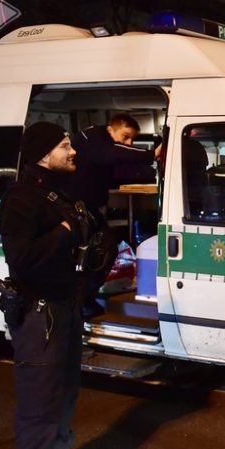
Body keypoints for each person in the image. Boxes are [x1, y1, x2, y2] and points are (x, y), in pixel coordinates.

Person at [0, 122, 99, 449]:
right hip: (39, 311)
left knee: (64, 389)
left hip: (64, 306)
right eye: (65, 145)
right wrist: (63, 230)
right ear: (43, 153)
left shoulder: (56, 194)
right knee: (38, 400)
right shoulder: (21, 199)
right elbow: (21, 259)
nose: (73, 151)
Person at [68, 114, 162, 316]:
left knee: (104, 251)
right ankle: (80, 302)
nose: (128, 143)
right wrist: (151, 154)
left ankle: (85, 299)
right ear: (112, 128)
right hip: (79, 211)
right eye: (126, 136)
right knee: (95, 254)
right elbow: (113, 153)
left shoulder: (101, 141)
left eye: (131, 140)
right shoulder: (94, 138)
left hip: (91, 209)